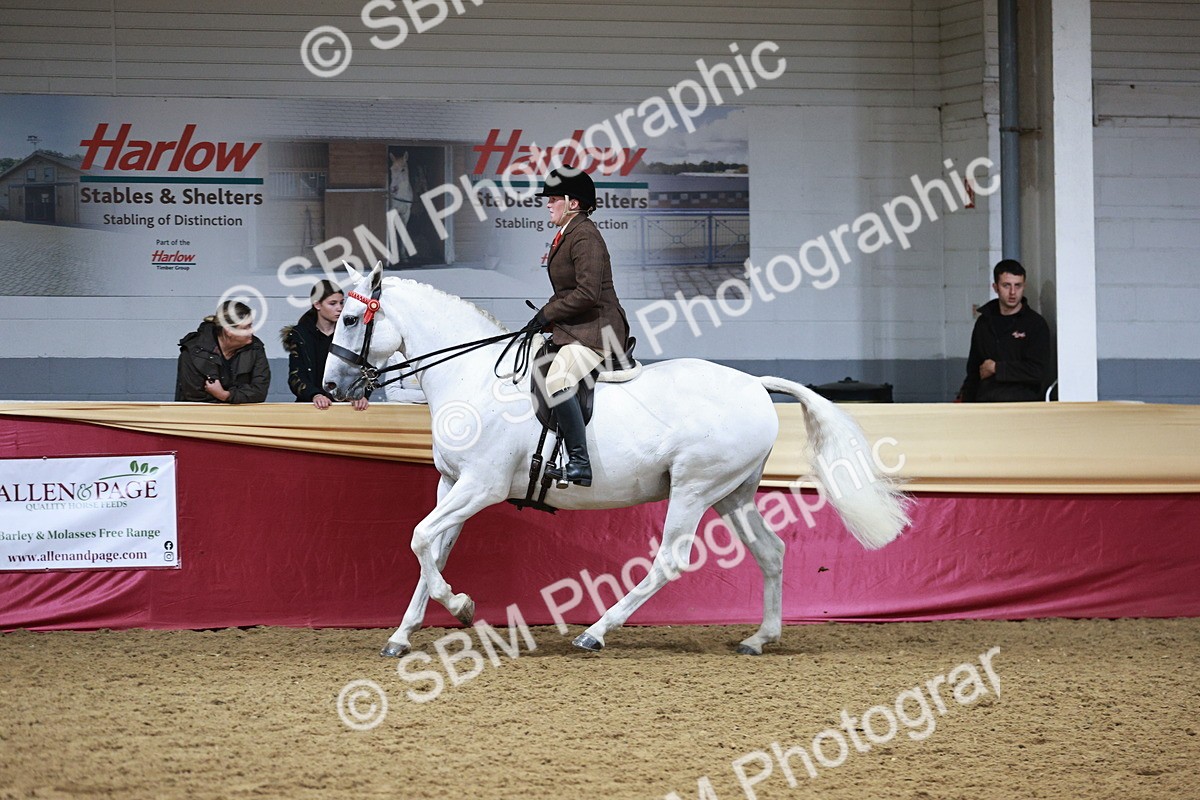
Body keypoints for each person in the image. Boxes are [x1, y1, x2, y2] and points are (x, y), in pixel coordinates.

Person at [526, 166, 630, 487]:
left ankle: (579, 462)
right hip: (578, 327)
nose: (547, 204)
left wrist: (548, 313)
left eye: (554, 199)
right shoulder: (569, 233)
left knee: (557, 379)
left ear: (572, 203)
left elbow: (587, 293)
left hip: (598, 332)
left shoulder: (585, 235)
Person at [958, 259, 1052, 402]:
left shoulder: (1035, 324)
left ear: (1024, 286)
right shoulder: (984, 322)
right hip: (986, 404)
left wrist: (997, 368)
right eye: (1006, 285)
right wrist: (964, 401)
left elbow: (1038, 371)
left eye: (1018, 286)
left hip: (1022, 405)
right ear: (995, 287)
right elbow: (974, 370)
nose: (1013, 292)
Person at [175, 300, 270, 403]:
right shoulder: (193, 351)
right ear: (229, 330)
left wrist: (224, 395)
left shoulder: (255, 348)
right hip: (199, 416)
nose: (252, 331)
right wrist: (237, 397)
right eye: (246, 327)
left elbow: (259, 392)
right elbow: (193, 396)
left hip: (241, 416)